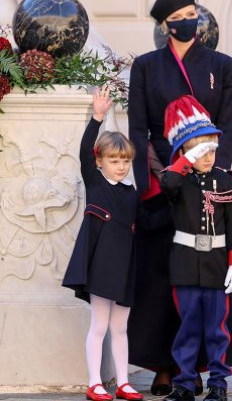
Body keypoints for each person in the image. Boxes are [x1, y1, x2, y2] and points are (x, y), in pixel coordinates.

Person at [127, 0, 232, 396]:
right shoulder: (145, 66)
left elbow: (226, 126)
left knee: (207, 282)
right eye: (180, 14)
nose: (188, 19)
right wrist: (151, 181)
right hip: (163, 182)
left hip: (207, 183)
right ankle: (165, 366)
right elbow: (138, 129)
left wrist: (215, 175)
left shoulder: (223, 64)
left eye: (193, 11)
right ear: (165, 24)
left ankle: (209, 368)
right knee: (162, 279)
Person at [159, 95, 232, 401]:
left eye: (211, 147)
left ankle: (218, 384)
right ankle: (184, 382)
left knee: (216, 329)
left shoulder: (225, 180)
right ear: (184, 150)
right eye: (200, 148)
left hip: (217, 263)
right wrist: (187, 157)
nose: (208, 155)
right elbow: (167, 183)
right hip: (185, 262)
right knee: (188, 327)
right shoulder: (179, 180)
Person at [62, 86, 143, 401]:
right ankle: (95, 382)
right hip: (101, 267)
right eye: (114, 160)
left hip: (125, 267)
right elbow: (85, 149)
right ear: (100, 162)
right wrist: (97, 117)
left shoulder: (131, 192)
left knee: (120, 328)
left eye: (125, 160)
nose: (121, 166)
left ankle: (123, 382)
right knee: (99, 325)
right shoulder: (95, 182)